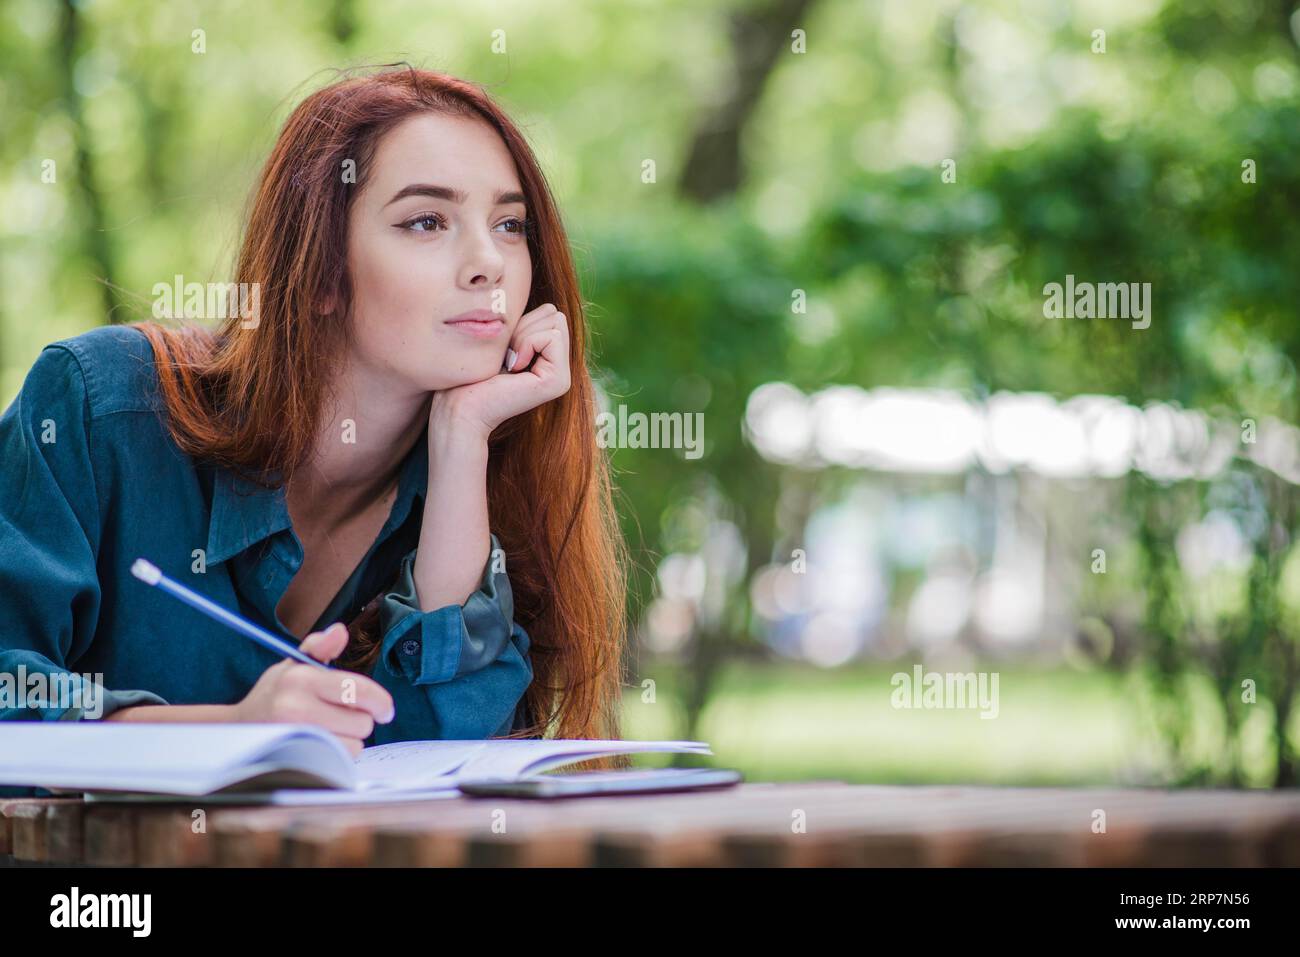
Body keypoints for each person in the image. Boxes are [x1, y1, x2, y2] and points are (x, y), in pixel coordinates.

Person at [0, 66, 629, 796]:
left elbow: (447, 762)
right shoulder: (98, 406)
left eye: (509, 224)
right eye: (427, 221)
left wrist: (462, 439)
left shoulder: (487, 482)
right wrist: (229, 733)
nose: (489, 264)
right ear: (321, 272)